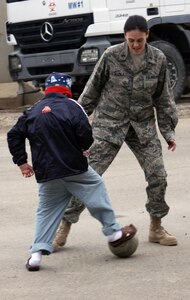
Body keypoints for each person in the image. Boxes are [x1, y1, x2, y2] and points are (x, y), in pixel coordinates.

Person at [52, 15, 178, 251]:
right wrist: (73, 122)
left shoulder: (158, 59)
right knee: (87, 178)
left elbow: (164, 99)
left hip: (142, 126)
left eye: (140, 40)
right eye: (131, 40)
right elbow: (92, 90)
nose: (136, 45)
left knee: (158, 175)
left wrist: (168, 131)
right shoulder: (111, 56)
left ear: (147, 36)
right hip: (109, 125)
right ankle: (64, 226)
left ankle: (156, 226)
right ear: (125, 37)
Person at [7, 72, 137, 271]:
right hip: (73, 167)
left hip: (47, 173)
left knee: (46, 211)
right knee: (96, 188)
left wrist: (22, 162)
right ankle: (113, 233)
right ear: (67, 89)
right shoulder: (73, 106)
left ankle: (35, 255)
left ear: (46, 90)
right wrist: (83, 146)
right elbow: (85, 132)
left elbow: (13, 135)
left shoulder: (32, 110)